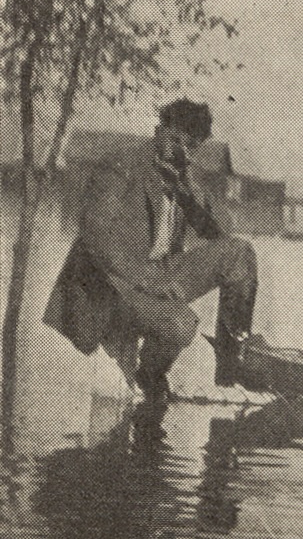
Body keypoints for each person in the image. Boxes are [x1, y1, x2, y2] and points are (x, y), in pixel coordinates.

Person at [44, 98, 259, 402]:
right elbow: (95, 235)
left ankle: (229, 374)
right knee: (182, 324)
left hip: (158, 274)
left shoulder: (183, 176)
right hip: (109, 281)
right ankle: (149, 376)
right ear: (158, 131)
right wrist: (147, 279)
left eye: (190, 146)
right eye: (174, 139)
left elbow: (222, 232)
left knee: (240, 253)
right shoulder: (121, 165)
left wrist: (190, 187)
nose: (179, 150)